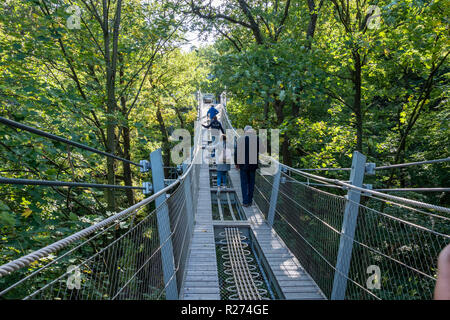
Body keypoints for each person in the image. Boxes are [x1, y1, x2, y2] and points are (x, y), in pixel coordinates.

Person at [234, 125, 266, 207]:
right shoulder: (257, 138)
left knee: (244, 183)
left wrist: (236, 163)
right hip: (253, 165)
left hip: (242, 165)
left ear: (245, 131)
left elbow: (236, 152)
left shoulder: (240, 139)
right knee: (251, 183)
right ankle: (250, 201)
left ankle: (245, 202)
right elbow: (262, 151)